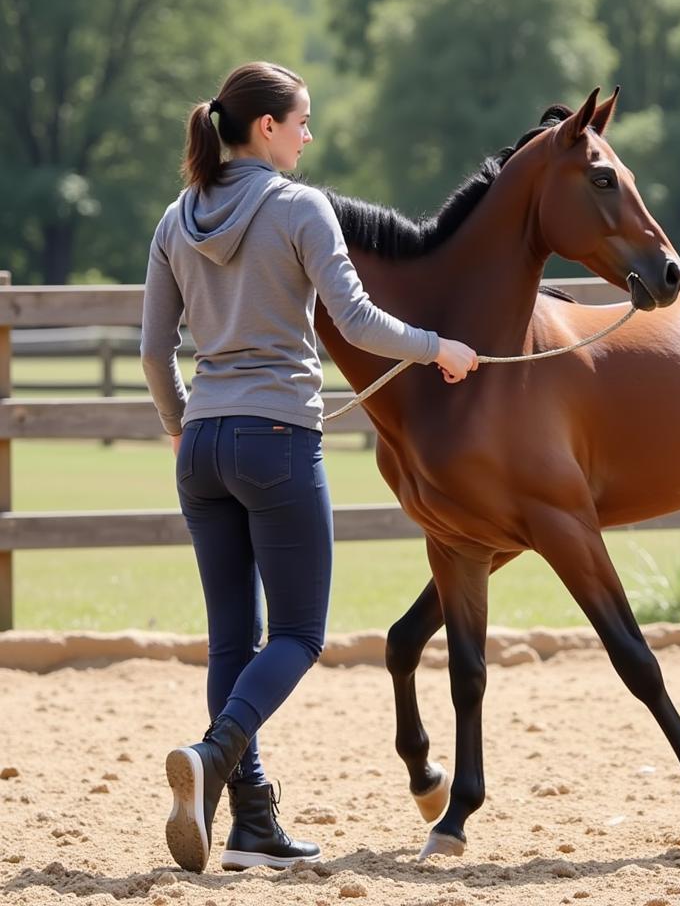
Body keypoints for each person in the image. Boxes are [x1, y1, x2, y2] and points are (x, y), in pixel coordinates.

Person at [141, 61, 478, 874]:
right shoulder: (300, 208)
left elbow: (156, 353)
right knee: (296, 634)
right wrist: (441, 349)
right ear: (265, 128)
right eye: (301, 121)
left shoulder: (175, 219)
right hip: (279, 441)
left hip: (205, 447)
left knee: (233, 639)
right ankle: (216, 757)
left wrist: (186, 427)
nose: (308, 135)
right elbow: (356, 321)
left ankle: (252, 822)